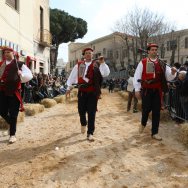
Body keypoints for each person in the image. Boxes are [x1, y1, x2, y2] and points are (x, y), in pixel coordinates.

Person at [133, 43, 177, 141]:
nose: (154, 51)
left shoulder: (161, 63)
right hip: (146, 91)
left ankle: (155, 133)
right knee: (146, 110)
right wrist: (137, 89)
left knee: (156, 112)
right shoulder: (143, 62)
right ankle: (143, 123)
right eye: (152, 49)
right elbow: (137, 76)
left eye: (155, 50)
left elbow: (168, 76)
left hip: (157, 91)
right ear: (148, 51)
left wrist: (173, 72)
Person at [66, 48, 110, 141]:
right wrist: (68, 88)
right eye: (86, 53)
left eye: (90, 53)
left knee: (91, 112)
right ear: (83, 55)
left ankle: (90, 133)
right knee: (81, 111)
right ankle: (83, 123)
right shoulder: (79, 65)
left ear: (92, 55)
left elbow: (106, 73)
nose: (88, 54)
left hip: (92, 92)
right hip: (82, 91)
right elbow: (72, 77)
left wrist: (103, 63)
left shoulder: (97, 65)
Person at [0, 47, 33, 143]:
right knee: (2, 111)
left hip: (14, 91)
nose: (6, 54)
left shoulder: (19, 64)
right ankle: (12, 124)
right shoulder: (1, 64)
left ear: (13, 53)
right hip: (2, 91)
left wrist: (21, 74)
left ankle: (12, 134)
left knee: (14, 113)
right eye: (5, 52)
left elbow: (29, 75)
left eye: (8, 52)